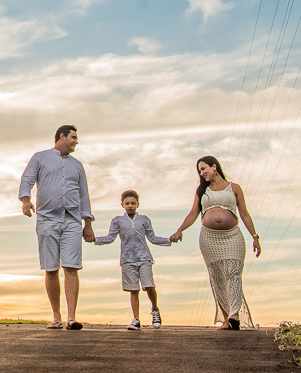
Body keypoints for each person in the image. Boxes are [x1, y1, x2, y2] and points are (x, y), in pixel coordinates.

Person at [171, 155, 261, 329]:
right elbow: (193, 214)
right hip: (209, 238)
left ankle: (234, 314)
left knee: (233, 273)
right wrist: (180, 230)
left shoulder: (234, 188)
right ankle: (227, 319)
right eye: (199, 171)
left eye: (203, 169)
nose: (202, 173)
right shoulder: (202, 191)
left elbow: (244, 214)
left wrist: (255, 236)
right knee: (217, 277)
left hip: (233, 236)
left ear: (214, 167)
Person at [19, 124, 95, 330]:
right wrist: (25, 201)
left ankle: (72, 317)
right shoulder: (40, 158)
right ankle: (56, 316)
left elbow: (83, 196)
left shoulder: (77, 165)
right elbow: (27, 180)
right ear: (61, 136)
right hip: (47, 219)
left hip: (72, 220)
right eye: (73, 137)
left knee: (71, 266)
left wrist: (87, 224)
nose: (76, 141)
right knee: (51, 268)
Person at [93, 189, 171, 329]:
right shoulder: (117, 221)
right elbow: (110, 238)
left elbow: (152, 238)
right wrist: (95, 239)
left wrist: (169, 240)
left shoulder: (144, 220)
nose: (130, 205)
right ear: (122, 204)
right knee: (133, 290)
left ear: (137, 204)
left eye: (133, 203)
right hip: (127, 259)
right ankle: (136, 319)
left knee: (149, 285)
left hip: (144, 257)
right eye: (127, 203)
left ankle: (155, 309)